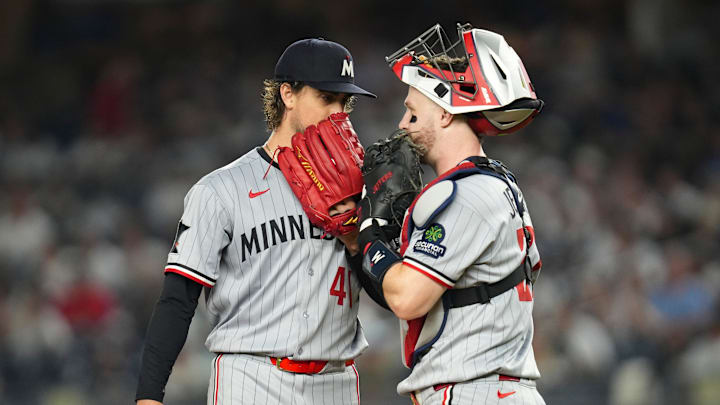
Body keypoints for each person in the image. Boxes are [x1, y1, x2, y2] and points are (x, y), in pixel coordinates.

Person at [135, 37, 376, 405]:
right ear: (288, 94)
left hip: (336, 381)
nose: (337, 113)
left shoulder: (359, 189)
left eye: (344, 102)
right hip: (252, 378)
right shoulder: (222, 189)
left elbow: (390, 295)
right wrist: (149, 397)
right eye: (326, 98)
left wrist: (357, 242)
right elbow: (177, 300)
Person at [356, 23, 546, 404]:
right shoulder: (496, 183)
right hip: (496, 389)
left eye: (412, 111)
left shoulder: (464, 194)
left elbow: (407, 299)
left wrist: (370, 233)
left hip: (476, 391)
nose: (402, 124)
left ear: (445, 114)